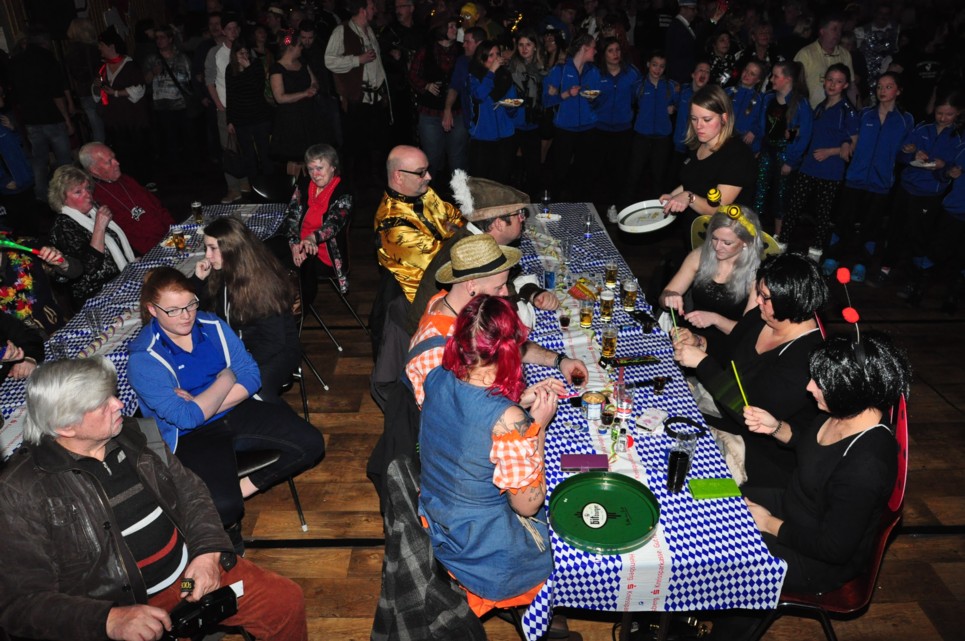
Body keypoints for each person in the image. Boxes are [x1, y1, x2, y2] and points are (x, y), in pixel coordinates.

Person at [0, 356, 309, 641]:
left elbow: (191, 492)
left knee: (283, 601)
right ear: (66, 426)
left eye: (112, 394)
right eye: (102, 403)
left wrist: (206, 553)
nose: (119, 404)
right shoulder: (19, 490)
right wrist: (109, 620)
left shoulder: (133, 434)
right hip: (123, 607)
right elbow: (20, 604)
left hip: (186, 581)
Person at [128, 267, 325, 543]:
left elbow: (252, 377)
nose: (186, 315)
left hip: (237, 411)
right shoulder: (143, 359)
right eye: (173, 310)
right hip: (190, 437)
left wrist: (202, 404)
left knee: (312, 443)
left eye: (190, 304)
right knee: (224, 508)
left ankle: (242, 489)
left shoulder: (212, 325)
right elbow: (185, 420)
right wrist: (227, 377)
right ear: (152, 309)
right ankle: (229, 526)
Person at [742, 331, 911, 594]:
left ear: (848, 390)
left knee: (718, 555)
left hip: (813, 561)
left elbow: (833, 549)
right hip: (793, 507)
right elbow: (816, 451)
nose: (810, 387)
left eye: (820, 383)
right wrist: (776, 428)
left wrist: (767, 524)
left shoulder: (867, 465)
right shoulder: (844, 411)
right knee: (711, 499)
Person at [419, 294, 557, 612]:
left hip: (441, 516)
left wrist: (515, 403)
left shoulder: (437, 376)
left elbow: (467, 423)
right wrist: (536, 427)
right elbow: (527, 504)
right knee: (572, 536)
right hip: (481, 548)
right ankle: (537, 611)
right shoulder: (509, 420)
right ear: (508, 352)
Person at [673, 253, 828, 488]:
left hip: (758, 453)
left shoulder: (807, 358)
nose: (757, 301)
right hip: (724, 413)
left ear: (788, 302)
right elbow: (730, 350)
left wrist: (703, 363)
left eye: (764, 297)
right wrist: (700, 342)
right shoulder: (763, 316)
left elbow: (748, 411)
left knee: (678, 461)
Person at [406, 232, 586, 408]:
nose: (505, 292)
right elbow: (457, 418)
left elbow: (508, 343)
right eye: (499, 287)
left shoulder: (455, 304)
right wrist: (516, 407)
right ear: (471, 285)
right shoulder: (437, 350)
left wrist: (559, 360)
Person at [406, 170, 560, 333]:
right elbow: (502, 320)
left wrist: (533, 293)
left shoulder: (478, 240)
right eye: (519, 214)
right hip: (444, 336)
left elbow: (505, 282)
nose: (523, 219)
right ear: (499, 223)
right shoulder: (472, 255)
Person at [193, 217, 300, 405]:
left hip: (276, 353)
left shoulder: (262, 284)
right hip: (241, 349)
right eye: (206, 248)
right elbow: (197, 314)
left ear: (232, 249)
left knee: (248, 391)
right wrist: (198, 281)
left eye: (213, 248)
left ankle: (278, 421)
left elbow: (273, 342)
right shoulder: (222, 273)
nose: (207, 256)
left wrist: (237, 366)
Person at [873, 91, 963, 296]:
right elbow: (902, 154)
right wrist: (911, 152)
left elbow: (952, 169)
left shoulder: (958, 139)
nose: (943, 118)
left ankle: (913, 278)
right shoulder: (923, 127)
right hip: (906, 187)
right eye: (940, 113)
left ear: (958, 113)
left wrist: (943, 167)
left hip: (929, 194)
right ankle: (885, 268)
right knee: (895, 228)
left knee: (918, 235)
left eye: (949, 114)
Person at [829, 71, 914, 275]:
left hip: (881, 181)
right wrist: (845, 142)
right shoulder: (865, 114)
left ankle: (862, 263)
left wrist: (909, 151)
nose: (882, 90)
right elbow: (848, 135)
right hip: (855, 177)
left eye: (888, 86)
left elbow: (906, 154)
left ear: (898, 91)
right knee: (844, 220)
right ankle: (832, 257)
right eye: (879, 87)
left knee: (871, 226)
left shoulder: (905, 120)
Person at [659, 205, 764, 361]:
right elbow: (663, 298)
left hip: (728, 344)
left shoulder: (757, 276)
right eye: (714, 238)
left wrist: (715, 319)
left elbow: (747, 332)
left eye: (727, 242)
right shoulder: (699, 256)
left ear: (746, 242)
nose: (717, 247)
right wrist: (670, 296)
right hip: (690, 334)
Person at [780, 63, 858, 256]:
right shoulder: (820, 107)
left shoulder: (847, 110)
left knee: (823, 214)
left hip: (830, 171)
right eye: (830, 80)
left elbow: (853, 145)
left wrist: (830, 151)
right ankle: (782, 243)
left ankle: (815, 252)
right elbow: (812, 132)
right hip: (809, 166)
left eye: (838, 81)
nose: (832, 84)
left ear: (845, 85)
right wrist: (795, 132)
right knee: (793, 207)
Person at [660, 85, 756, 233]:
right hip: (694, 230)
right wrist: (672, 196)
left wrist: (689, 197)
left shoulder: (738, 154)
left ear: (724, 118)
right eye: (694, 119)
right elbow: (693, 181)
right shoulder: (698, 144)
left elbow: (718, 209)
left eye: (707, 119)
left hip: (724, 237)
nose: (698, 126)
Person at [374, 145, 463, 303]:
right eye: (421, 172)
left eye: (427, 169)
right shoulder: (393, 228)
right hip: (427, 300)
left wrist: (453, 231)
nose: (428, 176)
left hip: (446, 282)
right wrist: (453, 231)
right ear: (399, 176)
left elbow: (455, 215)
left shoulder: (424, 192)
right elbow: (445, 262)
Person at [48, 165, 137, 307]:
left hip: (122, 281)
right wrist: (99, 227)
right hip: (98, 298)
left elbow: (117, 242)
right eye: (78, 192)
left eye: (87, 188)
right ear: (63, 199)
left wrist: (131, 260)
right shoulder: (63, 225)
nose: (87, 194)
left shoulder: (93, 212)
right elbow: (89, 267)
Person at [324, 0, 390, 184]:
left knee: (376, 142)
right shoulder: (342, 31)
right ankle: (352, 184)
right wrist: (357, 60)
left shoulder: (370, 30)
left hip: (376, 97)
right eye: (371, 7)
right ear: (362, 10)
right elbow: (329, 61)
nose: (375, 10)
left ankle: (375, 180)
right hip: (357, 97)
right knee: (355, 144)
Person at [279, 143, 352, 304]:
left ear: (333, 167)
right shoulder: (304, 185)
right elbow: (291, 216)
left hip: (324, 252)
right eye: (311, 169)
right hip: (300, 244)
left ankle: (297, 307)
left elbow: (333, 225)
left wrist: (312, 238)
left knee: (281, 268)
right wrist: (294, 244)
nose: (315, 174)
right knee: (266, 253)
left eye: (319, 168)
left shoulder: (343, 192)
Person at [80, 142, 175, 255]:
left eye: (114, 157)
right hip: (150, 252)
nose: (117, 163)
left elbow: (158, 207)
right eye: (109, 162)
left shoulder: (126, 179)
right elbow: (124, 238)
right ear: (94, 170)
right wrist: (160, 249)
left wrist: (174, 230)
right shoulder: (95, 198)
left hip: (170, 237)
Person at [755, 61, 813, 238]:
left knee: (781, 196)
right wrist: (758, 148)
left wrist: (791, 161)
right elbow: (761, 127)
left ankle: (778, 237)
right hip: (767, 150)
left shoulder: (801, 104)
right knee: (759, 192)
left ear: (788, 79)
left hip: (785, 153)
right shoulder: (768, 98)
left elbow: (805, 135)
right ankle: (753, 233)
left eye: (775, 76)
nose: (771, 79)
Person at [409, 17, 466, 191]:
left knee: (457, 157)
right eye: (451, 26)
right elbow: (413, 75)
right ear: (441, 29)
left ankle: (460, 196)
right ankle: (428, 194)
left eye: (455, 26)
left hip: (456, 112)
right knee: (431, 157)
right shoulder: (426, 50)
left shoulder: (461, 50)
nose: (455, 29)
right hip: (430, 113)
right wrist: (426, 85)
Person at [542, 33, 601, 202]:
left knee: (584, 173)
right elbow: (546, 101)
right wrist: (566, 93)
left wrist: (593, 99)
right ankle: (555, 207)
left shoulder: (594, 71)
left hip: (588, 127)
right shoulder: (560, 70)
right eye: (593, 48)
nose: (596, 51)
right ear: (584, 48)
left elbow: (598, 101)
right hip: (564, 128)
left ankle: (581, 208)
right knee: (560, 172)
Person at [96, 26, 152, 185]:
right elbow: (98, 93)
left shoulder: (130, 65)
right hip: (115, 120)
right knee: (121, 154)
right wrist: (98, 87)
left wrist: (115, 92)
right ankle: (127, 184)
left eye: (102, 45)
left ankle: (144, 182)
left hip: (133, 119)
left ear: (111, 46)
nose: (99, 48)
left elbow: (139, 89)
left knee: (138, 151)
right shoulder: (103, 68)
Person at [205, 13, 250, 203]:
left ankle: (246, 181)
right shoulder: (215, 52)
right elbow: (209, 81)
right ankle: (233, 188)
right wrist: (219, 105)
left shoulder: (246, 49)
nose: (233, 31)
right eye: (229, 28)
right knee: (229, 149)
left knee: (246, 146)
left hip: (245, 108)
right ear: (223, 31)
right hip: (225, 108)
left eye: (235, 28)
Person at [623, 49, 675, 205]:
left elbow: (680, 104)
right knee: (634, 174)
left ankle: (659, 211)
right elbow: (628, 103)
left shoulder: (671, 86)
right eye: (654, 65)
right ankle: (625, 207)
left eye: (661, 66)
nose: (657, 69)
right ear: (648, 65)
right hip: (642, 136)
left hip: (662, 137)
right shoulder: (638, 85)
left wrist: (674, 107)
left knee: (659, 176)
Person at [269, 29, 326, 171]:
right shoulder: (277, 68)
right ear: (291, 47)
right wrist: (304, 93)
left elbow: (314, 81)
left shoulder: (302, 62)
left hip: (308, 114)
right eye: (300, 45)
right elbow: (280, 97)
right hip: (291, 119)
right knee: (294, 158)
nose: (302, 48)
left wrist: (313, 87)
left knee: (311, 157)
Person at [595, 36, 642, 206]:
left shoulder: (632, 73)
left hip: (623, 129)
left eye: (617, 50)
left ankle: (616, 206)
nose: (615, 54)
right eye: (610, 51)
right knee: (598, 171)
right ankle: (598, 207)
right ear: (603, 54)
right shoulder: (595, 73)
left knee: (620, 171)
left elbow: (639, 96)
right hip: (599, 128)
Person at [225, 39, 276, 184]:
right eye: (241, 53)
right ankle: (254, 186)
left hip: (260, 117)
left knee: (265, 153)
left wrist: (248, 68)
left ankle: (270, 185)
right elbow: (230, 95)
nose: (244, 55)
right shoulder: (230, 69)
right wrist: (230, 120)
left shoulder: (255, 64)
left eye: (246, 52)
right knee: (249, 156)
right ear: (234, 54)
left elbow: (258, 87)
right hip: (241, 119)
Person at [468, 39, 518, 184]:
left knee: (501, 180)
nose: (496, 58)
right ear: (481, 58)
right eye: (491, 55)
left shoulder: (505, 76)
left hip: (505, 135)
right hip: (482, 136)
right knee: (481, 182)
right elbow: (479, 96)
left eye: (497, 54)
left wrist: (510, 106)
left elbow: (514, 106)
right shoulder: (474, 77)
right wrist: (491, 72)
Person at [142, 24, 194, 163]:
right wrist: (153, 72)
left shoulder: (182, 58)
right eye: (157, 38)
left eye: (162, 37)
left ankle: (189, 164)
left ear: (170, 39)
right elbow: (144, 82)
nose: (159, 41)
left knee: (186, 138)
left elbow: (190, 79)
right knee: (169, 140)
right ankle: (174, 165)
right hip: (162, 107)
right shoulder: (151, 59)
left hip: (181, 105)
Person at [508, 28, 547, 200]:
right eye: (521, 45)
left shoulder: (542, 68)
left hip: (533, 122)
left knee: (533, 169)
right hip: (513, 122)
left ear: (535, 46)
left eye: (528, 45)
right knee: (510, 168)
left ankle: (531, 203)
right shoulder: (511, 66)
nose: (524, 49)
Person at [794, 12, 854, 109]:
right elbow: (795, 87)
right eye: (834, 29)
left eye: (840, 30)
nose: (838, 33)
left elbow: (851, 87)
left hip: (837, 113)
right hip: (811, 112)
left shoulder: (845, 54)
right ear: (822, 31)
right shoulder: (806, 54)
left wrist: (859, 110)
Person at [725, 59, 766, 155]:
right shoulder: (728, 91)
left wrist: (754, 132)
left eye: (752, 74)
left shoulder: (761, 100)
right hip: (723, 139)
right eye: (746, 70)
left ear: (758, 80)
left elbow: (763, 123)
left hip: (743, 145)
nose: (746, 74)